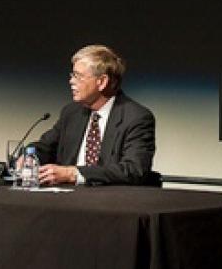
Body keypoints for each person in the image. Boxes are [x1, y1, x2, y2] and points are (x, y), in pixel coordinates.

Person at [33, 44, 156, 186]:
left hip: (110, 201)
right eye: (72, 75)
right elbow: (45, 147)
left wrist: (73, 174)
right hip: (65, 198)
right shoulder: (71, 112)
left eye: (78, 76)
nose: (71, 81)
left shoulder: (136, 117)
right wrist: (29, 157)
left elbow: (134, 169)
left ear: (102, 82)